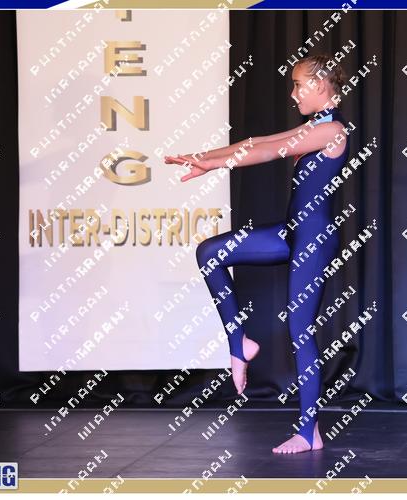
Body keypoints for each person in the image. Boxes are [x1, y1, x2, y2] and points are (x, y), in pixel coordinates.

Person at [163, 54, 350, 454]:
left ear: (320, 85)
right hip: (292, 233)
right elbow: (255, 143)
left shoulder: (332, 130)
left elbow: (269, 152)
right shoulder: (314, 126)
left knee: (300, 330)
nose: (293, 93)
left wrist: (216, 165)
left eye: (298, 84)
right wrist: (204, 159)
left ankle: (309, 432)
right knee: (210, 252)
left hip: (314, 240)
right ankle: (239, 342)